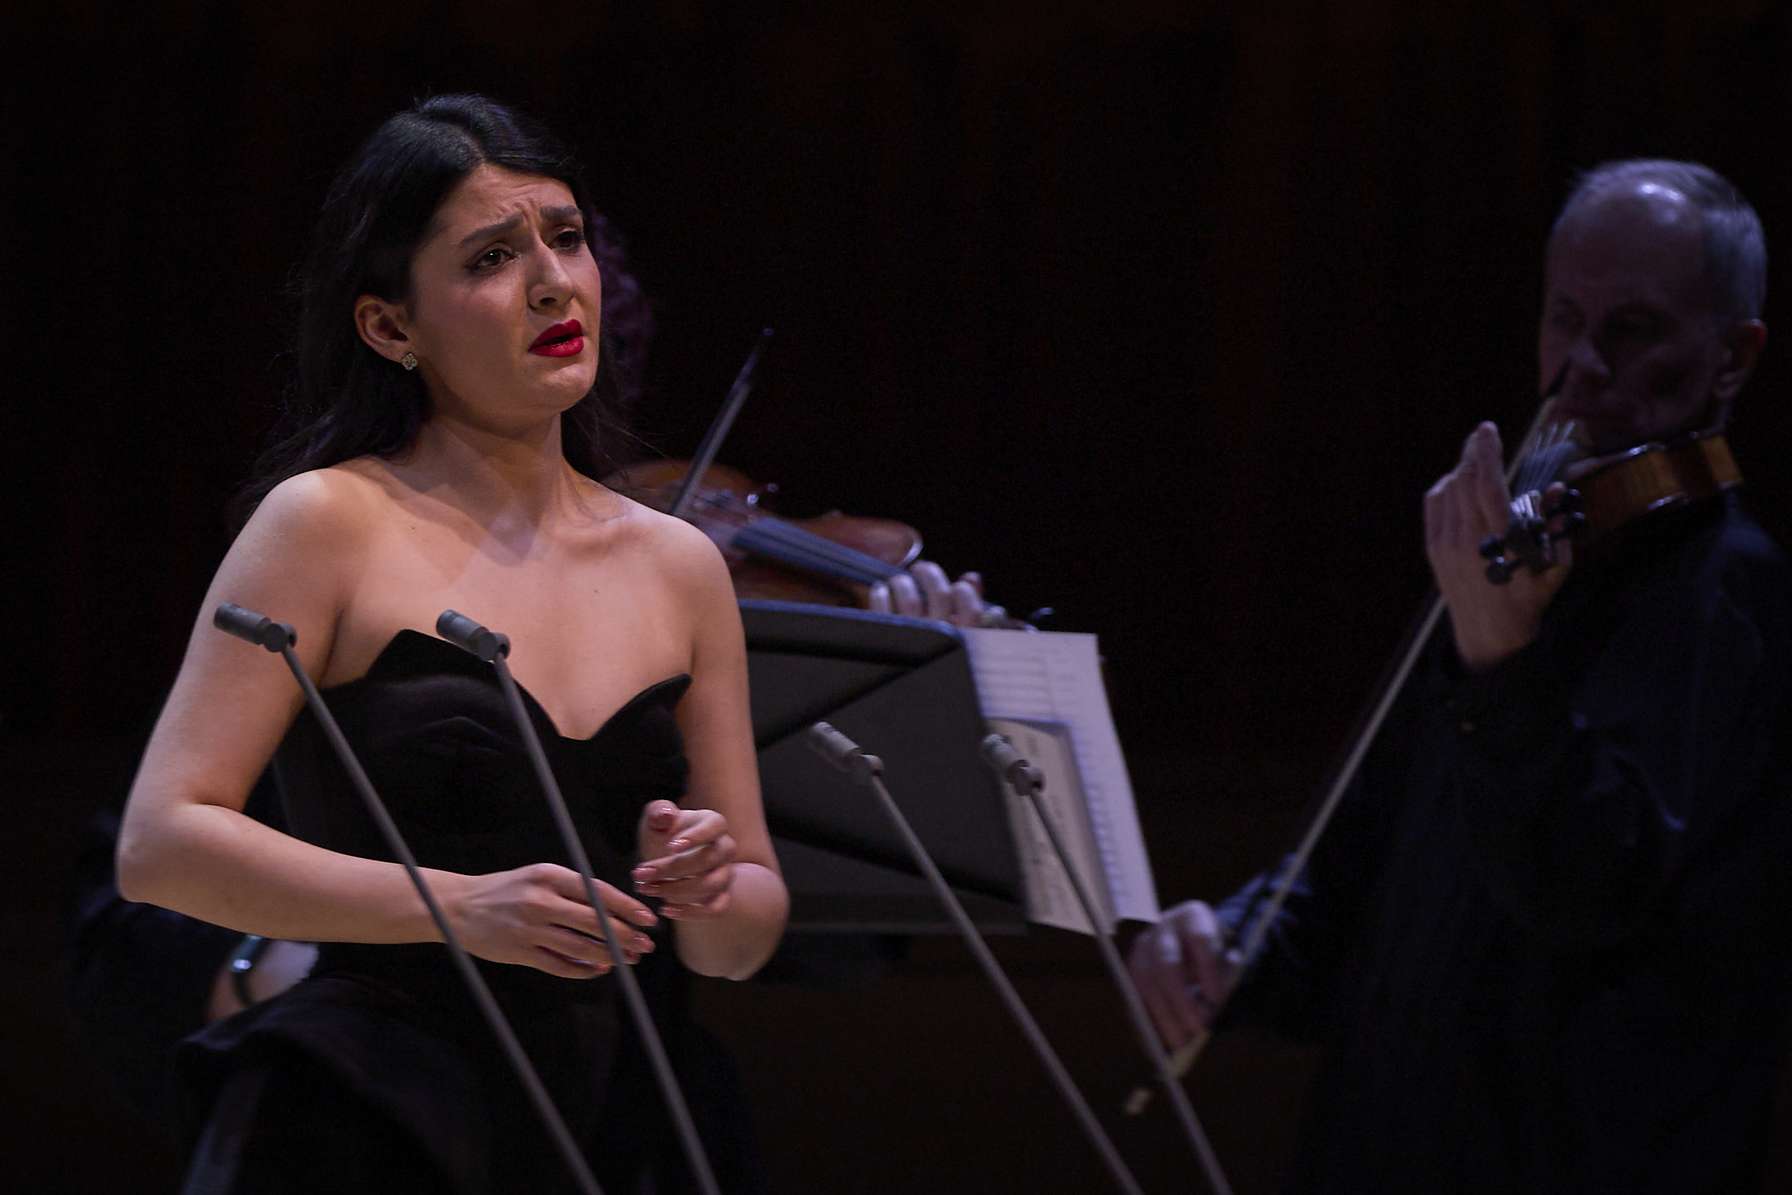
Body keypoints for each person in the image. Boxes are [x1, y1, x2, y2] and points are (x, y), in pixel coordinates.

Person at [114, 94, 788, 1193]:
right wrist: (456, 906)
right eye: (491, 257)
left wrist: (711, 887)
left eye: (565, 237)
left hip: (622, 1127)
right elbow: (160, 845)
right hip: (367, 1118)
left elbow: (743, 936)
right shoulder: (325, 521)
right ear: (390, 328)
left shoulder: (680, 563)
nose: (551, 282)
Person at [1129, 160, 1792, 1193]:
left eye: (1632, 329)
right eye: (1564, 318)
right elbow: (1356, 880)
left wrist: (1502, 668)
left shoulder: (1731, 597)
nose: (1580, 365)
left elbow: (1583, 896)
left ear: (1732, 357)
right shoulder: (1518, 558)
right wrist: (1230, 943)